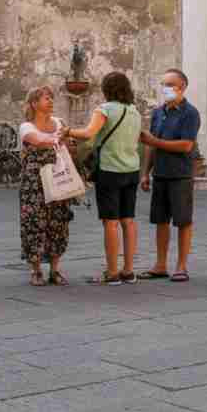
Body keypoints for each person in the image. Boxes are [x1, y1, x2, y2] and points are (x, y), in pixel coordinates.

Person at [66, 72, 142, 285]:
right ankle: (129, 271)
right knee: (128, 220)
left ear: (107, 89)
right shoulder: (134, 112)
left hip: (110, 171)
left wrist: (68, 131)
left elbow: (89, 133)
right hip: (132, 169)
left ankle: (112, 272)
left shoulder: (105, 109)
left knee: (110, 222)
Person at [138, 68, 201, 282]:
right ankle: (160, 264)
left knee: (183, 221)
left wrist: (154, 142)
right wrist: (145, 173)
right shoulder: (158, 112)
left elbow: (186, 145)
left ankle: (181, 266)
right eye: (163, 84)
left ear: (181, 87)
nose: (164, 89)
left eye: (168, 85)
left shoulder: (190, 113)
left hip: (180, 174)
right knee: (161, 220)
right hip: (161, 174)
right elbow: (150, 146)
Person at [18, 86, 74, 287]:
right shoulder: (26, 126)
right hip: (34, 180)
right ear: (34, 104)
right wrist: (61, 137)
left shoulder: (59, 122)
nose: (50, 101)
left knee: (58, 221)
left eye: (51, 98)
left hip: (59, 177)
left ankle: (55, 269)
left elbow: (69, 146)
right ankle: (35, 270)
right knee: (34, 222)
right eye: (45, 98)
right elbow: (39, 140)